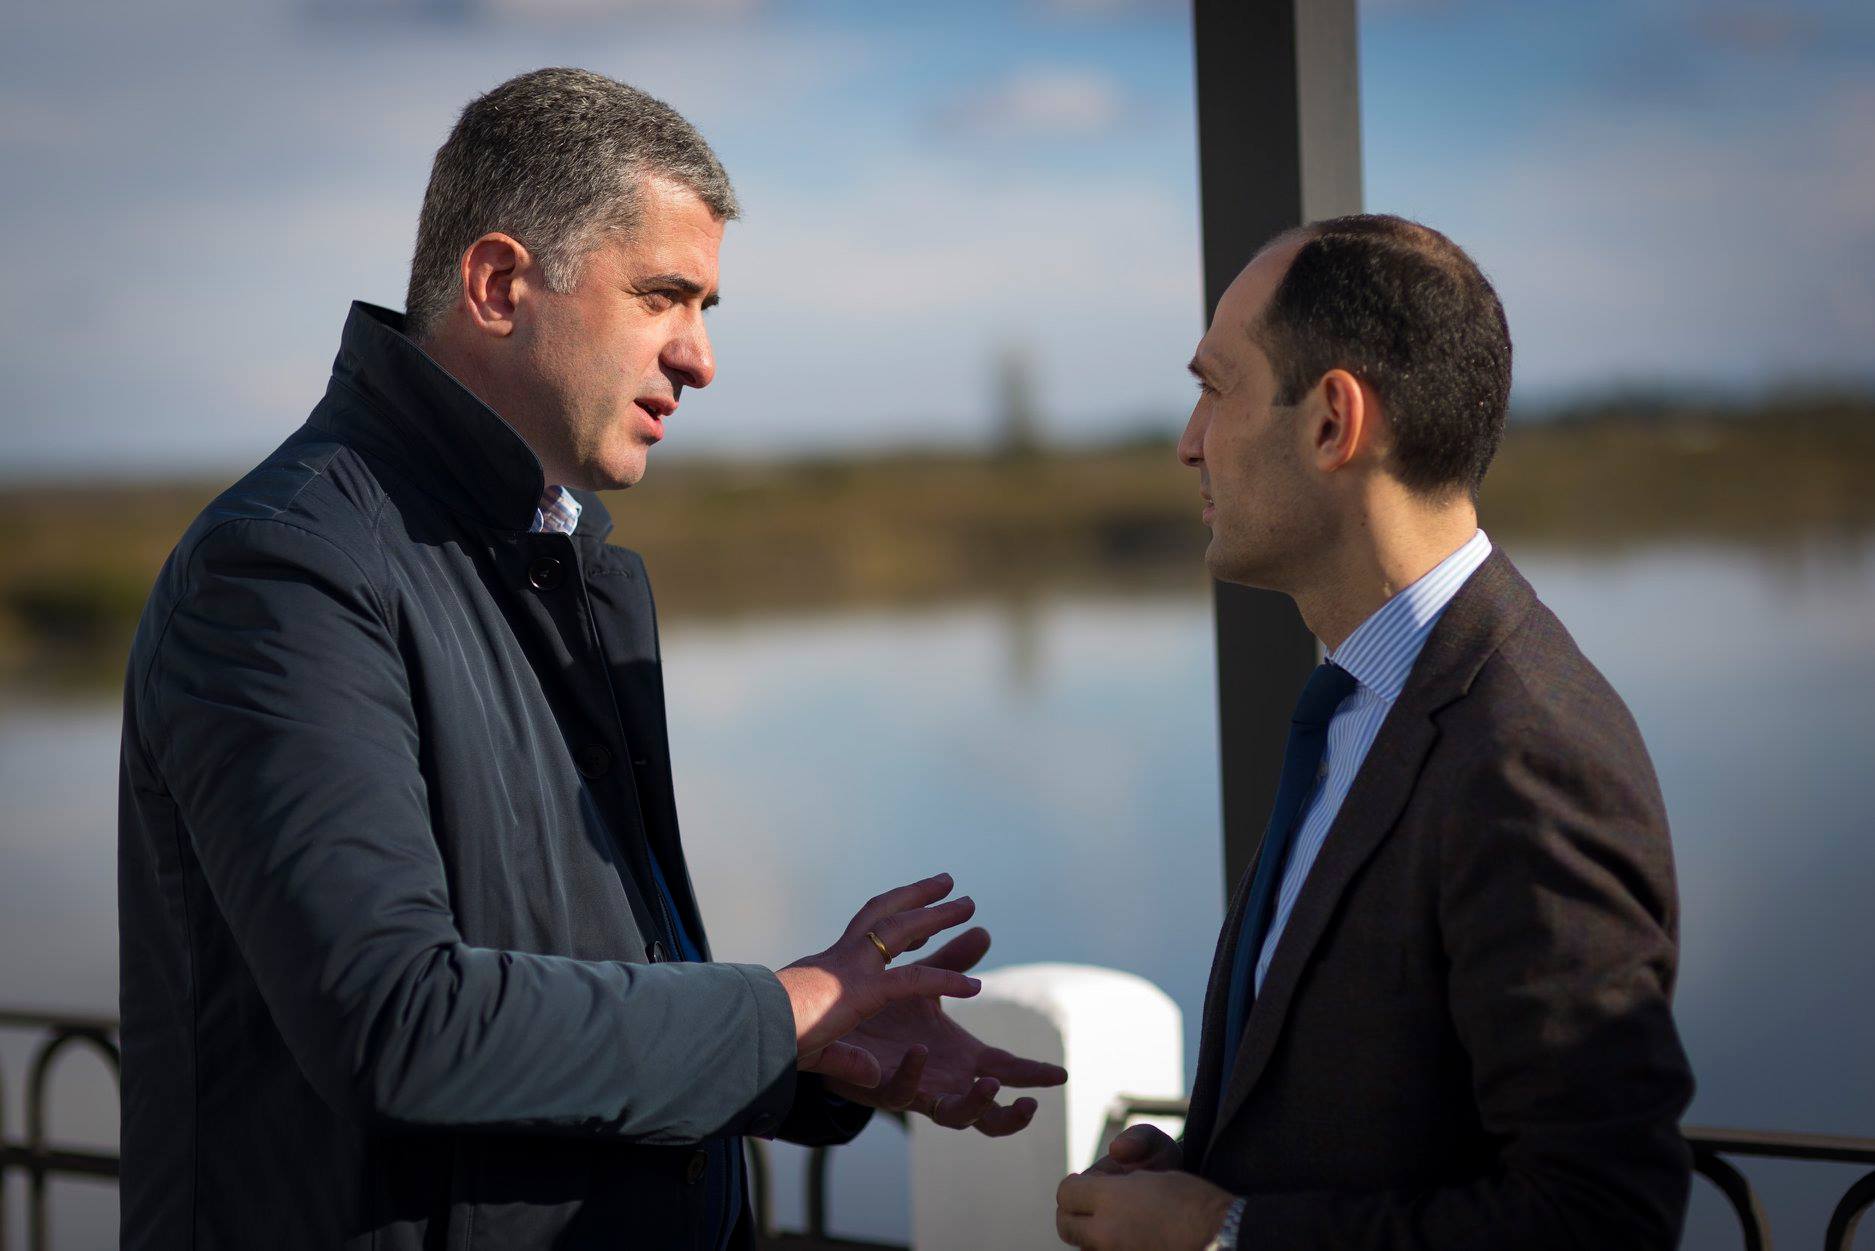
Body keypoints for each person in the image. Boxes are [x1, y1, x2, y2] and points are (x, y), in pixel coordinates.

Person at [118, 67, 1063, 1251]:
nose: (700, 357)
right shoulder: (283, 570)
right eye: (663, 296)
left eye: (705, 306)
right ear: (500, 284)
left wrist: (805, 1051)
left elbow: (563, 987)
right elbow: (396, 1024)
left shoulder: (561, 566)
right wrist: (787, 1005)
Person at [1054, 215, 1695, 1250]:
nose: (1188, 440)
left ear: (1331, 422)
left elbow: (1601, 1216)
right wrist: (1204, 1175)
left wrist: (1225, 1234)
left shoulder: (1526, 752)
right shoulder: (1367, 705)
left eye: (1215, 388)